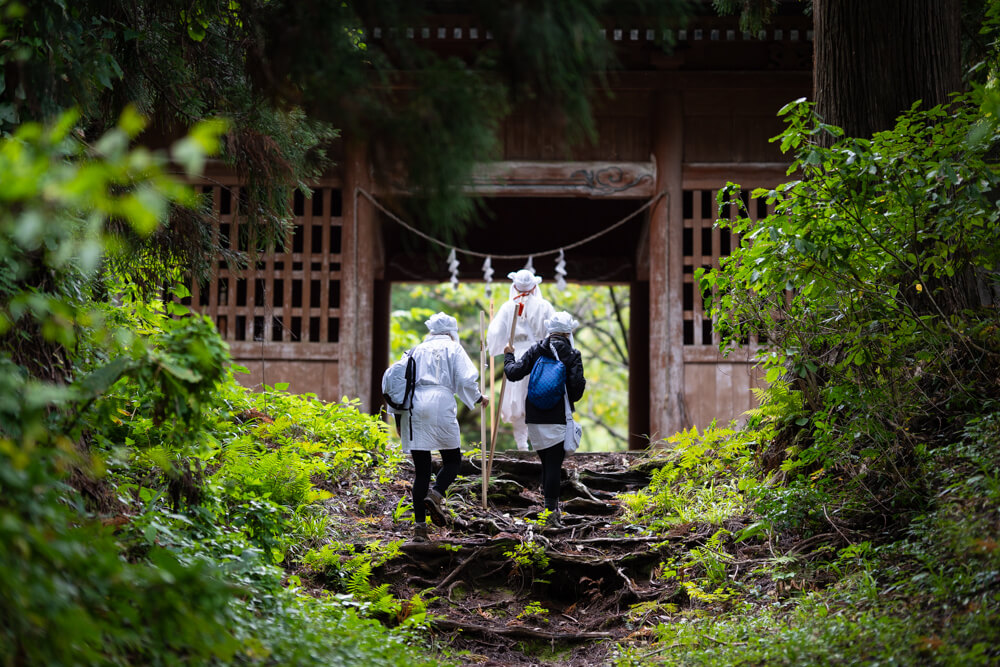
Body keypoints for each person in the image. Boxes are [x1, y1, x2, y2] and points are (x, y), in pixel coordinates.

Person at [393, 312, 488, 542]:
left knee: (422, 471)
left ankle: (419, 530)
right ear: (451, 331)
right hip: (441, 403)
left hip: (414, 405)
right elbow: (466, 379)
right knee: (453, 460)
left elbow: (396, 381)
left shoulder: (415, 350)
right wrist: (477, 398)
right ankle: (435, 495)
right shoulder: (453, 349)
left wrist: (397, 417)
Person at [502, 312, 585, 528]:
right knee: (553, 467)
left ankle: (549, 511)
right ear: (568, 332)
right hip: (557, 416)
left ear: (550, 330)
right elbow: (576, 393)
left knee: (547, 464)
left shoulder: (536, 349)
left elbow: (512, 373)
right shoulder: (572, 354)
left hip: (535, 415)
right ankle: (551, 514)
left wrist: (509, 355)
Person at [487, 268, 555, 451]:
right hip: (540, 355)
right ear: (534, 287)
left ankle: (522, 445)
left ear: (515, 287)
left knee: (517, 400)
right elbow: (554, 332)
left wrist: (499, 347)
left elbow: (494, 332)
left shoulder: (508, 307)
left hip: (516, 354)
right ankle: (539, 445)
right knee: (537, 398)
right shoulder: (544, 306)